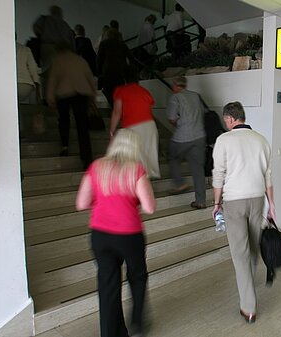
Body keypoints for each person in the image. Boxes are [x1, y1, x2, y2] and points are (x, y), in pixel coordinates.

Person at [75, 129, 155, 337]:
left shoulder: (96, 167)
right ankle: (137, 321)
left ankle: (111, 333)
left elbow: (81, 203)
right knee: (137, 276)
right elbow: (150, 207)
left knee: (108, 285)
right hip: (129, 235)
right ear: (134, 148)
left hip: (100, 235)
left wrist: (101, 200)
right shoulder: (136, 170)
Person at [211, 101, 276, 324]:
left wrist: (216, 203)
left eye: (225, 120)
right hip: (257, 199)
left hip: (234, 201)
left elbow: (218, 175)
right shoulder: (261, 140)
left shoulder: (224, 140)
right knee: (253, 244)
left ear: (229, 119)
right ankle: (249, 277)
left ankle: (249, 307)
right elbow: (267, 175)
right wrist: (272, 205)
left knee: (240, 252)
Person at [45, 43, 95, 169]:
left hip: (64, 93)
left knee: (64, 120)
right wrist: (93, 94)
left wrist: (50, 96)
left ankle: (65, 146)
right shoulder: (80, 60)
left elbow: (53, 78)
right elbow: (90, 77)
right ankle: (87, 157)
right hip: (81, 93)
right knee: (82, 125)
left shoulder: (58, 60)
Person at [110, 68, 161, 178]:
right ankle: (150, 176)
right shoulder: (144, 91)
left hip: (133, 125)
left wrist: (111, 130)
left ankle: (140, 180)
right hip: (150, 125)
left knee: (136, 154)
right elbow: (149, 105)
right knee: (149, 152)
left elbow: (117, 112)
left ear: (124, 79)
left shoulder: (120, 90)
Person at [166, 76, 207, 209]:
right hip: (199, 136)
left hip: (182, 137)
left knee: (172, 156)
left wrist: (178, 123)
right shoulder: (196, 96)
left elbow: (171, 117)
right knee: (197, 169)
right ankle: (201, 201)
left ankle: (179, 183)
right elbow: (202, 112)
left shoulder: (175, 97)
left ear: (175, 85)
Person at [33, 5, 75, 74]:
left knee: (48, 71)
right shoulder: (65, 25)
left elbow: (36, 28)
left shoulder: (45, 19)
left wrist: (41, 35)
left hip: (48, 46)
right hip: (63, 50)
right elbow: (71, 41)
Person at [97, 29, 132, 107]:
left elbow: (99, 59)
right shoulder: (122, 44)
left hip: (108, 71)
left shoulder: (104, 44)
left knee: (108, 90)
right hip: (120, 71)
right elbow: (130, 57)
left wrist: (99, 72)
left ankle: (114, 105)